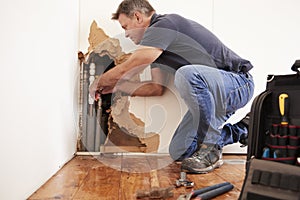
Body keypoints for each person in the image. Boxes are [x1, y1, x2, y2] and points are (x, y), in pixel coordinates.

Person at [89, 0, 254, 173]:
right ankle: (243, 130)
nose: (127, 35)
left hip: (237, 83)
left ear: (138, 17)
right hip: (210, 98)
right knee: (180, 151)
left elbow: (134, 63)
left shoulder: (165, 25)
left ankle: (209, 147)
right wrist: (117, 88)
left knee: (186, 74)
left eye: (126, 27)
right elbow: (155, 88)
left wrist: (100, 81)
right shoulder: (157, 50)